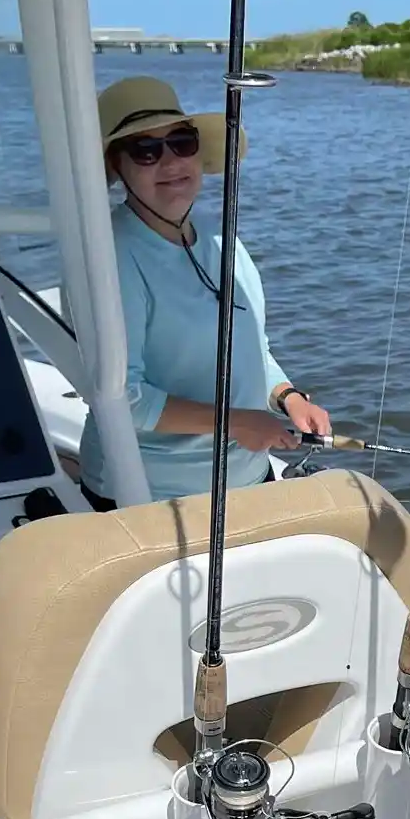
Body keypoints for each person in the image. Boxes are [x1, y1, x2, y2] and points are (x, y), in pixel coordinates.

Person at [76, 76, 331, 508]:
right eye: (145, 149)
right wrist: (236, 423)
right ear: (116, 165)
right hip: (152, 496)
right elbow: (122, 398)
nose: (170, 161)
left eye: (181, 141)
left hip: (248, 476)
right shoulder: (108, 258)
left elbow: (251, 347)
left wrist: (285, 395)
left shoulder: (220, 239)